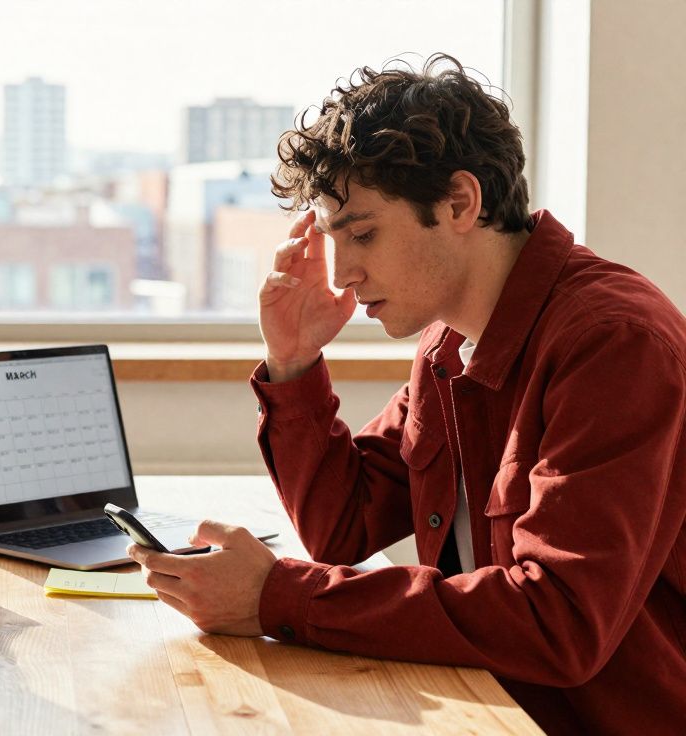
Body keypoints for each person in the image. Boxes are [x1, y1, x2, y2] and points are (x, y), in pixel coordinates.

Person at [128, 55, 686, 733]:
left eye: (362, 234)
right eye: (333, 239)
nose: (343, 273)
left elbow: (559, 621)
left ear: (460, 203)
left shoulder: (614, 344)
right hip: (485, 706)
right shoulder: (447, 342)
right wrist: (294, 362)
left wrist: (279, 595)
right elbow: (343, 526)